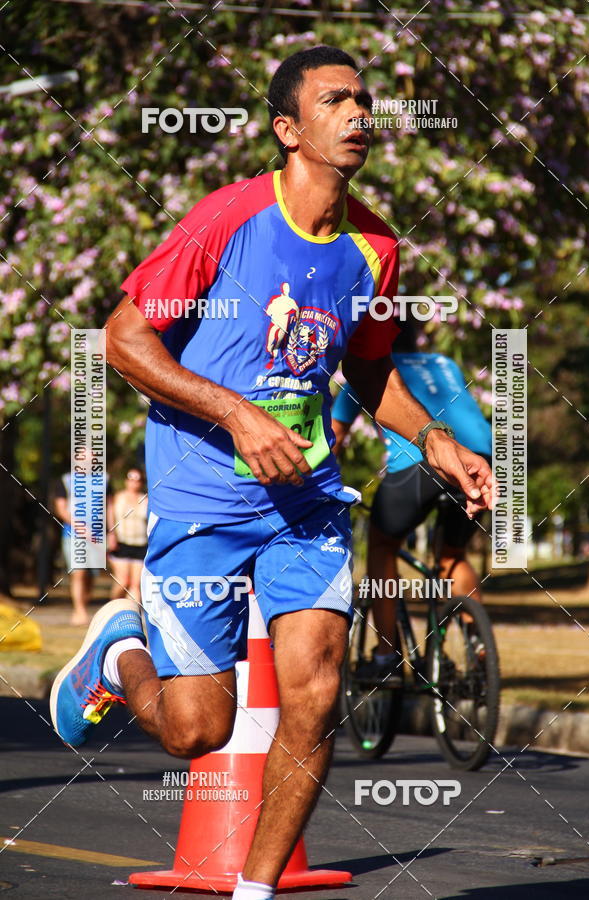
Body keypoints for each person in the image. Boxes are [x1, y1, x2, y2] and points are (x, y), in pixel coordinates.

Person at [50, 46, 493, 900]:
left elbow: (367, 372)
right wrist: (236, 411)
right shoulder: (227, 219)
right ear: (289, 129)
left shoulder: (374, 246)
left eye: (364, 99)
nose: (360, 113)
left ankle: (255, 892)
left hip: (308, 502)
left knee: (317, 697)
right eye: (336, 101)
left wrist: (436, 440)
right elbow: (123, 340)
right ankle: (116, 654)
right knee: (196, 730)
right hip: (202, 495)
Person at [332, 335, 492, 682]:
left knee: (381, 545)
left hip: (423, 462)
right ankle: (480, 651)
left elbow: (335, 437)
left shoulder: (367, 366)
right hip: (481, 460)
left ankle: (387, 656)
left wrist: (326, 487)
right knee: (453, 554)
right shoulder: (444, 364)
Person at [54, 470, 112, 626]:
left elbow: (109, 506)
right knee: (78, 572)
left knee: (91, 574)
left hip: (97, 535)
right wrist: (81, 528)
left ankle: (84, 604)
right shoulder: (66, 480)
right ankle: (79, 610)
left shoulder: (104, 479)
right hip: (73, 535)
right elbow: (61, 508)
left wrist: (111, 531)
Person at [107, 468, 148, 605]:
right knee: (123, 581)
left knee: (135, 585)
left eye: (138, 479)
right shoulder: (117, 497)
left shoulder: (146, 500)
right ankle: (113, 608)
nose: (134, 483)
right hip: (121, 543)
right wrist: (111, 534)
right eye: (131, 478)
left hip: (140, 544)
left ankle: (133, 617)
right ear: (126, 480)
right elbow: (110, 518)